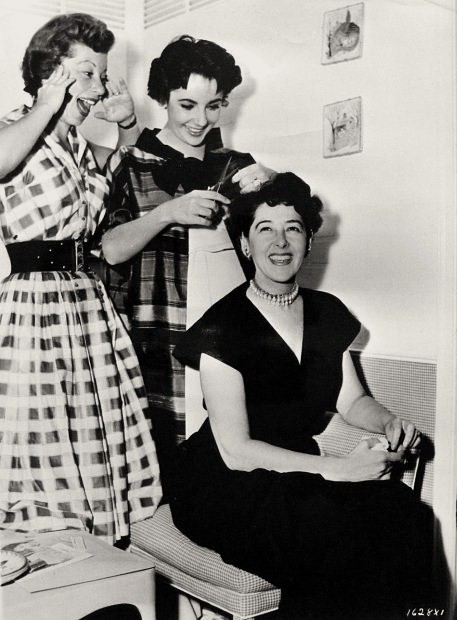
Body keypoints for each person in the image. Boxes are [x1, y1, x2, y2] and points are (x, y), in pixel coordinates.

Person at [169, 172, 433, 619]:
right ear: (245, 245)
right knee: (329, 536)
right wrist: (340, 471)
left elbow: (350, 400)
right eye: (264, 229)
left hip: (298, 468)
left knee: (406, 513)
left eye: (293, 228)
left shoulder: (327, 311)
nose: (280, 242)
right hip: (226, 482)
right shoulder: (223, 324)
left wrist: (388, 421)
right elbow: (236, 451)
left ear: (309, 240)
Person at [0, 13, 161, 544]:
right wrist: (47, 105)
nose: (99, 87)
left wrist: (127, 122)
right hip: (32, 304)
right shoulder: (14, 128)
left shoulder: (78, 147)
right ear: (53, 73)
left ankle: (94, 567)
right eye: (87, 73)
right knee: (37, 437)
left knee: (89, 435)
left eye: (102, 74)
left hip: (84, 299)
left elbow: (132, 165)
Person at [103, 35, 274, 486]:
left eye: (214, 106)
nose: (201, 120)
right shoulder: (133, 162)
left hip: (230, 321)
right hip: (162, 322)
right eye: (186, 105)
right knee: (170, 448)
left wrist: (274, 182)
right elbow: (110, 248)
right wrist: (166, 213)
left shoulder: (236, 164)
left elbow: (278, 241)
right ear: (162, 99)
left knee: (230, 444)